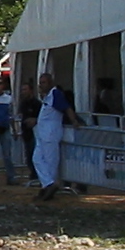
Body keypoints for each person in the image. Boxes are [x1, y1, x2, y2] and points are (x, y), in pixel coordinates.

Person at [33, 72, 78, 201]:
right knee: (37, 159)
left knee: (50, 161)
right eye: (40, 83)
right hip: (42, 134)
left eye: (43, 82)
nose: (41, 85)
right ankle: (48, 184)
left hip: (50, 134)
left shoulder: (55, 94)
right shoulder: (46, 97)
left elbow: (67, 108)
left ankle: (48, 188)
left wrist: (74, 121)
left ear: (50, 83)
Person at [17, 82, 41, 177]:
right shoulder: (23, 104)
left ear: (31, 90)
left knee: (35, 155)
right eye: (22, 90)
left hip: (35, 133)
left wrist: (35, 120)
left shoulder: (37, 104)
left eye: (25, 89)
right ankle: (32, 172)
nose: (23, 92)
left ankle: (37, 174)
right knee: (28, 155)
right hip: (26, 132)